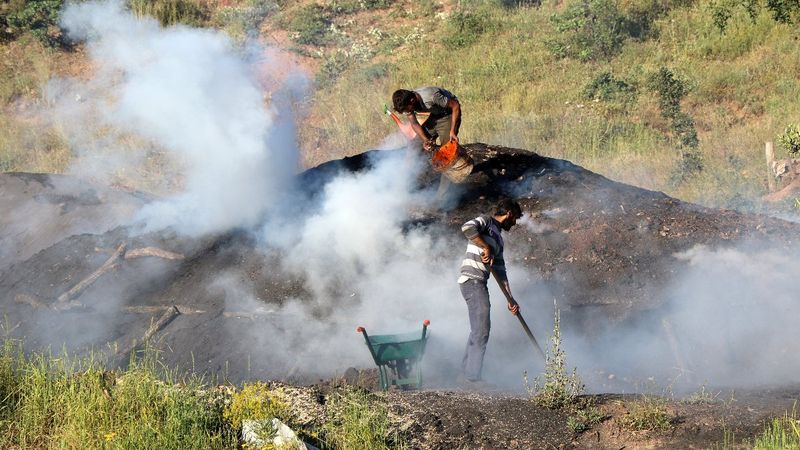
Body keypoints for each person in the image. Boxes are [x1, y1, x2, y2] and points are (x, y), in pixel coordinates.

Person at [457, 198, 523, 384]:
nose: (514, 223)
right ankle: (472, 378)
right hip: (472, 281)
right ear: (509, 214)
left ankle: (465, 374)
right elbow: (467, 228)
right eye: (515, 218)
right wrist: (485, 246)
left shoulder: (499, 239)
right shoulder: (486, 221)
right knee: (482, 330)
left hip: (480, 283)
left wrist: (511, 299)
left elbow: (501, 272)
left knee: (478, 329)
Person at [392, 87, 461, 151]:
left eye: (407, 110)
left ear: (412, 101)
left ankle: (464, 157)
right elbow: (414, 123)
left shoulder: (431, 96)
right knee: (414, 147)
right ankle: (433, 153)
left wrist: (452, 131)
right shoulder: (407, 103)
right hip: (434, 115)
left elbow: (455, 106)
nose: (407, 112)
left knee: (448, 149)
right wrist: (425, 140)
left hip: (449, 114)